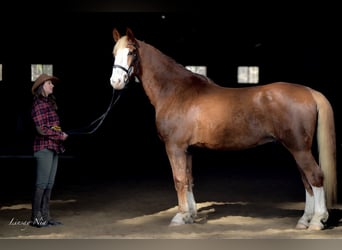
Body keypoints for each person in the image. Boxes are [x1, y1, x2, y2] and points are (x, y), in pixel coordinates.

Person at [30, 73, 68, 228]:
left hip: (53, 147)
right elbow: (41, 129)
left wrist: (59, 134)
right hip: (43, 148)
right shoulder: (38, 104)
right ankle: (36, 218)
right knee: (41, 183)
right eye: (49, 84)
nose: (52, 85)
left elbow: (52, 127)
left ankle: (45, 216)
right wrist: (60, 135)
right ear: (42, 87)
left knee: (49, 183)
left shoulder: (49, 104)